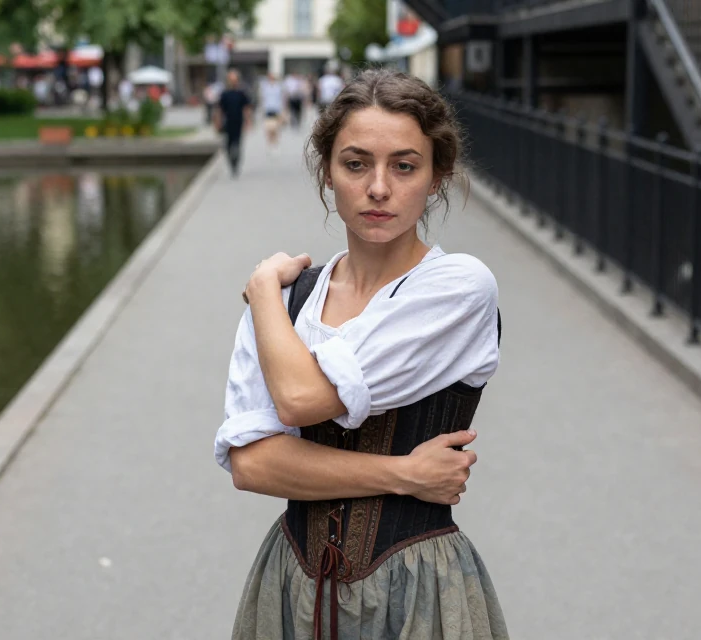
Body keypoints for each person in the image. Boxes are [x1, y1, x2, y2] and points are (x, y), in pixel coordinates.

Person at [215, 69, 508, 639]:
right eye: (355, 164)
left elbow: (301, 399)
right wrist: (405, 474)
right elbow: (251, 465)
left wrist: (260, 293)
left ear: (436, 176)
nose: (379, 188)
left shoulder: (460, 288)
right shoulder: (290, 300)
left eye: (404, 165)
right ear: (328, 173)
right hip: (295, 585)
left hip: (419, 587)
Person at [214, 70, 253, 177]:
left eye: (235, 80)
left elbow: (246, 108)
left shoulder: (241, 93)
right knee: (227, 145)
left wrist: (248, 121)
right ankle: (231, 163)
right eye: (231, 80)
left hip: (238, 122)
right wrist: (218, 122)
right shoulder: (224, 94)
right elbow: (219, 110)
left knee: (237, 144)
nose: (233, 82)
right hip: (227, 122)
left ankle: (236, 163)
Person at [259, 72, 285, 152]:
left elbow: (281, 99)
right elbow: (262, 99)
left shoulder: (278, 87)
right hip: (268, 109)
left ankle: (275, 144)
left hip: (276, 109)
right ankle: (269, 143)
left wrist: (283, 111)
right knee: (268, 128)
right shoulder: (265, 87)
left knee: (276, 128)